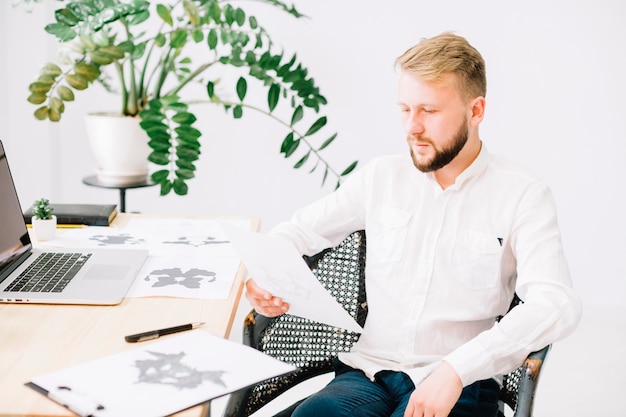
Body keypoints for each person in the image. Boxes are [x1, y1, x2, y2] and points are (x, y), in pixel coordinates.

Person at [245, 32, 582, 417]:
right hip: (366, 374)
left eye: (429, 111)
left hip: (461, 386)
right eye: (405, 109)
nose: (412, 127)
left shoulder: (522, 194)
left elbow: (557, 303)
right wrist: (266, 277)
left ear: (476, 111)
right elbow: (295, 233)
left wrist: (457, 370)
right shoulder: (380, 178)